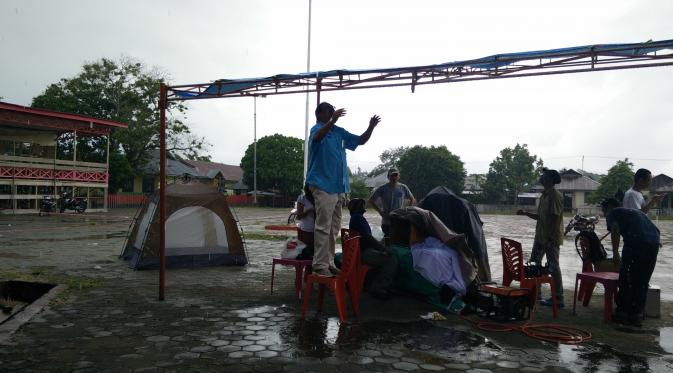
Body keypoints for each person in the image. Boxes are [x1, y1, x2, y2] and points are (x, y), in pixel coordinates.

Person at [305, 102, 381, 277]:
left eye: (333, 110)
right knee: (323, 226)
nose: (332, 112)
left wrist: (371, 127)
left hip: (338, 187)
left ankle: (329, 262)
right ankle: (319, 266)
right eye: (329, 111)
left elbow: (360, 140)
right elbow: (317, 138)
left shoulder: (338, 132)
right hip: (322, 184)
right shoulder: (317, 130)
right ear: (320, 114)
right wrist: (332, 121)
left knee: (333, 228)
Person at [601, 198, 661, 327]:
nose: (604, 215)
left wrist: (616, 252)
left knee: (627, 277)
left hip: (636, 243)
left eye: (603, 211)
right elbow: (654, 230)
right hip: (653, 243)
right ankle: (636, 315)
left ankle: (622, 313)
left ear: (608, 208)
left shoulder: (613, 213)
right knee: (642, 280)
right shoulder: (635, 212)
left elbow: (615, 229)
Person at [517, 168, 565, 308]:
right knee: (534, 264)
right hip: (540, 236)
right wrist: (526, 213)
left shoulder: (555, 196)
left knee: (553, 266)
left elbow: (555, 218)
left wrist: (550, 238)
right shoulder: (544, 196)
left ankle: (558, 298)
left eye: (544, 175)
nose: (541, 177)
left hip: (550, 238)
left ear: (549, 179)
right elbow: (541, 218)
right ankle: (535, 294)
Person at [347, 198, 398, 299]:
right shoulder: (358, 218)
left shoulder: (355, 218)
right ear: (355, 208)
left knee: (383, 256)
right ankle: (379, 288)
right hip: (363, 253)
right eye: (361, 205)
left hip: (360, 251)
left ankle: (370, 284)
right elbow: (368, 237)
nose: (363, 207)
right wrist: (383, 248)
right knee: (391, 259)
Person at [368, 167, 416, 237]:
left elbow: (412, 199)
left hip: (399, 220)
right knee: (388, 241)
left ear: (399, 176)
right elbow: (371, 200)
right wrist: (380, 212)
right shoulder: (382, 188)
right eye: (392, 175)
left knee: (399, 241)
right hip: (387, 221)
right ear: (388, 177)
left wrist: (407, 211)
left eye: (396, 175)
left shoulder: (403, 187)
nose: (394, 177)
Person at [295, 184, 315, 259]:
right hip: (306, 230)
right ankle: (306, 270)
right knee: (306, 254)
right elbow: (299, 216)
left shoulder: (318, 197)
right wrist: (309, 210)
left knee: (314, 254)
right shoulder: (302, 198)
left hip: (317, 230)